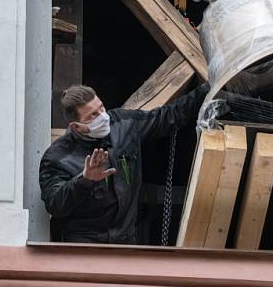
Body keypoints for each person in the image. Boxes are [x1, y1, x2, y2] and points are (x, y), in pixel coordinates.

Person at [39, 83, 208, 244]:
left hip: (125, 239)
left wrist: (209, 87)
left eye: (101, 107)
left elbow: (168, 117)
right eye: (92, 115)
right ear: (76, 127)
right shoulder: (57, 157)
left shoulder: (122, 124)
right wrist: (84, 180)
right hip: (83, 244)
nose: (103, 116)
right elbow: (55, 204)